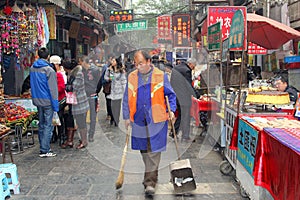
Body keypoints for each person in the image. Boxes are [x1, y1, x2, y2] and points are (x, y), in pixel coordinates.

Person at [122, 50, 176, 196]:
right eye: (135, 63)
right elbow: (127, 97)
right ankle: (151, 174)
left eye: (140, 63)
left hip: (157, 119)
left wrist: (171, 110)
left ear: (148, 62)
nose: (137, 66)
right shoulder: (132, 77)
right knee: (144, 150)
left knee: (154, 151)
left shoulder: (160, 75)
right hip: (139, 119)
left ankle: (150, 182)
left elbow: (170, 95)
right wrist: (126, 116)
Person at [30, 47, 58, 157]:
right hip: (47, 101)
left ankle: (43, 146)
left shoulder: (33, 68)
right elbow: (53, 89)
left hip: (37, 99)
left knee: (41, 124)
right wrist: (55, 105)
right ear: (48, 56)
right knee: (48, 125)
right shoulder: (49, 70)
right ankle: (45, 149)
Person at [171, 57, 196, 142]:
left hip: (176, 96)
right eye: (193, 66)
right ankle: (185, 136)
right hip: (184, 97)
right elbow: (188, 85)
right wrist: (197, 95)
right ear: (190, 64)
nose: (193, 68)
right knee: (186, 116)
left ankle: (173, 132)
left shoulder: (176, 68)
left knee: (181, 115)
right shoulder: (186, 71)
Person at [70, 59, 89, 149]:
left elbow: (75, 87)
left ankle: (84, 141)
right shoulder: (77, 73)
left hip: (80, 103)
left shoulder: (78, 74)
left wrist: (68, 87)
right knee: (81, 122)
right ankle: (83, 140)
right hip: (80, 102)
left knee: (81, 123)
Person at [81, 55, 101, 142]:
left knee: (93, 116)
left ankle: (91, 135)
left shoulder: (95, 70)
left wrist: (96, 91)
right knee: (83, 116)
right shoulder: (81, 70)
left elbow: (99, 82)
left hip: (93, 94)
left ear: (85, 62)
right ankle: (84, 135)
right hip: (83, 95)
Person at [104, 56, 127, 126]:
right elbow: (106, 77)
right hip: (111, 91)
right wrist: (109, 78)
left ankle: (116, 119)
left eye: (114, 61)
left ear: (117, 62)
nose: (112, 62)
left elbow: (123, 81)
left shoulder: (121, 71)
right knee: (111, 106)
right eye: (112, 61)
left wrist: (125, 91)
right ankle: (112, 118)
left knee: (117, 107)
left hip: (118, 91)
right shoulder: (109, 69)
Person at [61, 59, 78, 149]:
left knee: (71, 118)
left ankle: (70, 140)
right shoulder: (72, 74)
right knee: (70, 118)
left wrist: (66, 87)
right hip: (73, 100)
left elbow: (73, 87)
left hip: (74, 99)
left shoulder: (73, 75)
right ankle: (70, 140)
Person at [49, 55, 66, 145]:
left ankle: (61, 135)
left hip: (59, 100)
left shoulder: (59, 75)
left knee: (59, 118)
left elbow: (61, 87)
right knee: (52, 119)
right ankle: (53, 135)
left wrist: (52, 91)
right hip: (51, 100)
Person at [96, 54, 114, 121]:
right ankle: (109, 114)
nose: (113, 61)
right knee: (108, 101)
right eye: (112, 59)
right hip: (108, 87)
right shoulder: (106, 67)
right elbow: (103, 78)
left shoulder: (117, 68)